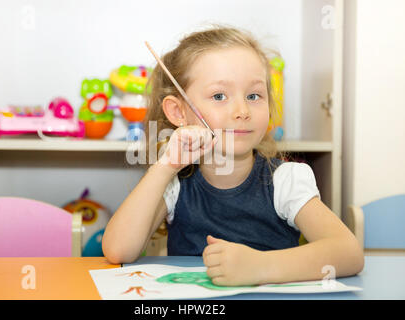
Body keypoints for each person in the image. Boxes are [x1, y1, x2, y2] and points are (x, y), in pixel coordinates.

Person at [103, 26, 364, 286]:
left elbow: (349, 254)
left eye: (254, 95)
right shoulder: (174, 183)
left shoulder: (285, 180)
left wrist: (259, 267)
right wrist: (164, 167)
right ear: (178, 112)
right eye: (219, 96)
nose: (242, 110)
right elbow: (118, 250)